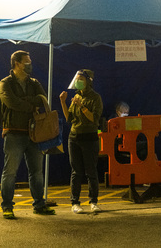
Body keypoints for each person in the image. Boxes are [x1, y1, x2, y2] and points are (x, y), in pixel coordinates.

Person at [0, 50, 55, 219]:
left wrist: (26, 101)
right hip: (14, 133)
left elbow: (42, 99)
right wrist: (31, 104)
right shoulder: (5, 83)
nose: (30, 65)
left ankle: (39, 205)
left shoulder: (34, 82)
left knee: (37, 172)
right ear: (17, 63)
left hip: (34, 133)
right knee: (10, 172)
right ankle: (7, 206)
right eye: (27, 62)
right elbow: (11, 102)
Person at [59, 69, 103, 214]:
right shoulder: (76, 96)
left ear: (88, 81)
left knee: (91, 171)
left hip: (89, 138)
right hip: (74, 138)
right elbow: (69, 118)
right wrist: (63, 102)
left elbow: (94, 119)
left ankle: (93, 201)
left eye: (81, 79)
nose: (78, 82)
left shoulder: (95, 98)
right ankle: (75, 202)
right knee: (76, 171)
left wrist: (81, 106)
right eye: (76, 79)